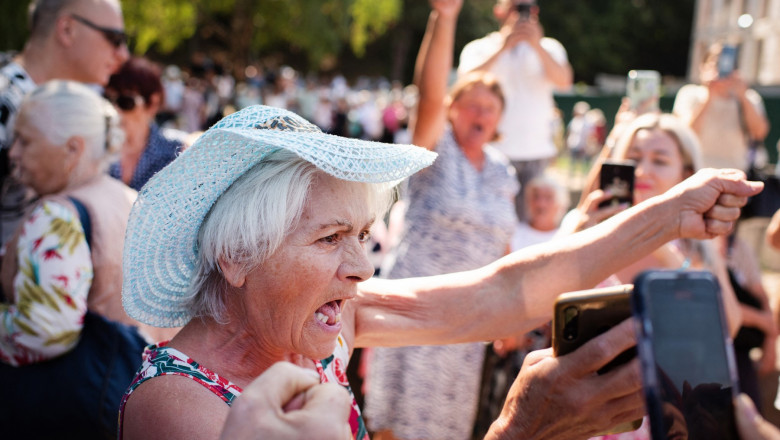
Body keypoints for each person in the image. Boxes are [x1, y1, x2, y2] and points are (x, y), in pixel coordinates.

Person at [113, 96, 761, 440]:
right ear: (237, 257)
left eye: (362, 235)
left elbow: (503, 292)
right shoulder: (177, 407)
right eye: (331, 237)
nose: (361, 267)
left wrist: (666, 216)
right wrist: (521, 432)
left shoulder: (324, 326)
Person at [363, 2, 518, 438]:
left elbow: (501, 243)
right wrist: (445, 17)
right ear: (452, 111)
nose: (480, 115)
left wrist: (508, 309)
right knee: (396, 423)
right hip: (414, 304)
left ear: (500, 119)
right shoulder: (436, 151)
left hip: (467, 318)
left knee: (448, 425)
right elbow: (429, 94)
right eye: (471, 105)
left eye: (490, 108)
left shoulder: (504, 171)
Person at [0, 80, 174, 437]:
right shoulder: (129, 200)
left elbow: (45, 328)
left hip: (70, 410)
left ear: (72, 149)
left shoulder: (57, 215)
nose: (13, 153)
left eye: (25, 141)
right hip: (135, 399)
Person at [0, 0, 129, 250]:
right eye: (114, 38)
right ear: (67, 29)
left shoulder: (80, 100)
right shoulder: (6, 102)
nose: (123, 54)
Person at [472, 173, 569, 438]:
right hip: (512, 330)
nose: (540, 202)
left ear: (559, 204)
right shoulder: (515, 232)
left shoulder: (568, 236)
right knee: (500, 407)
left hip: (548, 334)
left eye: (548, 197)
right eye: (535, 196)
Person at [457, 0, 573, 221]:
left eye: (528, 8)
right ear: (499, 11)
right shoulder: (480, 48)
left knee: (532, 225)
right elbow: (465, 83)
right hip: (492, 152)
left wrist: (536, 45)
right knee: (489, 221)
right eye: (516, 8)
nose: (522, 15)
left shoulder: (550, 47)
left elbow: (564, 82)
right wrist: (504, 47)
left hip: (536, 153)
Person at [673, 42, 770, 171]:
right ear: (703, 67)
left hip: (737, 173)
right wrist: (709, 96)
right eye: (715, 65)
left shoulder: (749, 97)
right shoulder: (689, 94)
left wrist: (742, 96)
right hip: (695, 172)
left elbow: (759, 133)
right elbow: (685, 135)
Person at [104, 56, 189, 191]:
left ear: (152, 103)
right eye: (108, 99)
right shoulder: (95, 146)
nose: (115, 109)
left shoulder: (174, 154)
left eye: (126, 102)